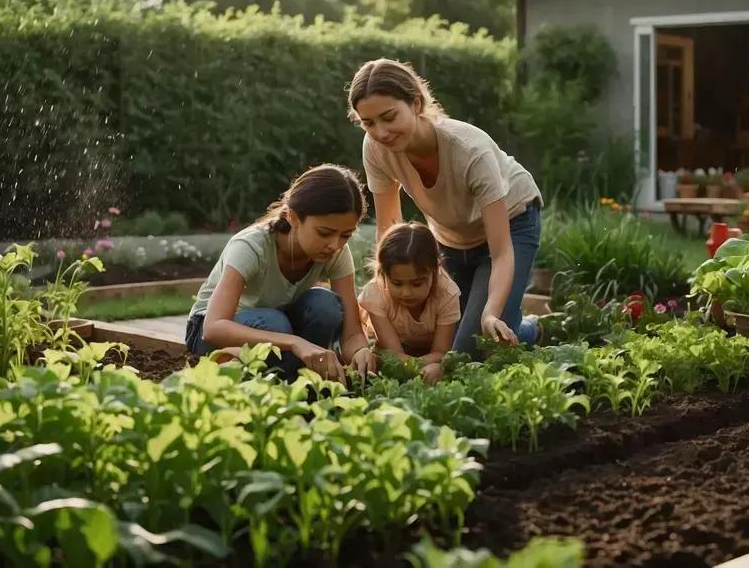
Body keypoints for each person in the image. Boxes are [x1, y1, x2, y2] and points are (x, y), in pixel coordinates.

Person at [348, 58, 542, 357]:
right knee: (432, 341)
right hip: (449, 237)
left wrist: (490, 313)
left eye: (389, 117)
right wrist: (382, 295)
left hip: (511, 225)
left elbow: (502, 253)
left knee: (471, 350)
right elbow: (389, 230)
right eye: (368, 123)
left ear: (415, 103)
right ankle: (507, 321)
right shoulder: (375, 148)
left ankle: (527, 328)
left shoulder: (469, 151)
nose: (381, 132)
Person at [184, 164, 377, 383]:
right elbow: (213, 328)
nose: (334, 245)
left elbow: (352, 333)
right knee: (274, 323)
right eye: (325, 233)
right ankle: (287, 377)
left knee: (325, 306)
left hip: (279, 324)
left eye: (345, 235)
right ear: (293, 217)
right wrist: (295, 343)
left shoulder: (336, 251)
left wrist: (360, 350)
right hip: (213, 331)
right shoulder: (251, 247)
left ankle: (298, 374)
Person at [358, 222, 460, 384]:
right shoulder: (376, 294)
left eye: (417, 283)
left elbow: (441, 351)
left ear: (435, 270)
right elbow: (394, 355)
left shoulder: (447, 293)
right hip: (394, 353)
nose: (406, 293)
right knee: (377, 363)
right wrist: (420, 366)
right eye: (397, 283)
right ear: (383, 274)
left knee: (445, 368)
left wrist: (434, 366)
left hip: (430, 353)